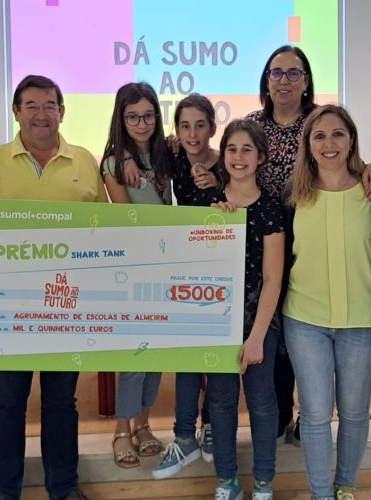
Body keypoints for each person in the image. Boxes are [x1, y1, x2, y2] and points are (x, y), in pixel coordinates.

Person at [0, 75, 107, 500]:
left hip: (67, 305)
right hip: (8, 310)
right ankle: (4, 491)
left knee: (62, 403)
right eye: (32, 106)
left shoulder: (84, 162)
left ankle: (64, 487)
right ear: (17, 112)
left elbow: (104, 228)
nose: (42, 114)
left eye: (50, 105)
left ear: (62, 112)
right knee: (7, 403)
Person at [246, 45, 371, 445]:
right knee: (279, 339)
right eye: (276, 73)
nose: (284, 80)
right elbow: (233, 164)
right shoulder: (252, 124)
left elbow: (348, 163)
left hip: (312, 237)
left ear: (306, 81)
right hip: (263, 244)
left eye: (294, 73)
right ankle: (283, 418)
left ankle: (307, 419)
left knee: (305, 342)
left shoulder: (320, 121)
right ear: (266, 80)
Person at [281, 105, 371, 500]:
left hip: (364, 322)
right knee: (313, 414)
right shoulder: (292, 196)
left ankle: (345, 488)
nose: (329, 143)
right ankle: (321, 494)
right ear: (308, 145)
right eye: (319, 135)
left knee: (355, 412)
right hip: (304, 321)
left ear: (351, 140)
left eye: (338, 134)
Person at [194, 119, 285, 500]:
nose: (238, 156)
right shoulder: (208, 205)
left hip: (259, 325)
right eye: (232, 149)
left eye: (247, 149)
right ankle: (226, 481)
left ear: (260, 157)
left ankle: (264, 483)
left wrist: (257, 337)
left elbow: (273, 278)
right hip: (217, 323)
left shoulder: (271, 208)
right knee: (220, 403)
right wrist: (217, 225)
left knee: (262, 403)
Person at [100, 82, 170, 468]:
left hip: (167, 262)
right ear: (121, 119)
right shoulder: (113, 163)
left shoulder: (166, 153)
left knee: (156, 351)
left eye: (148, 115)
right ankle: (121, 430)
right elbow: (127, 217)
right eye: (132, 117)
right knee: (134, 352)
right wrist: (125, 154)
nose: (141, 124)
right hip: (134, 266)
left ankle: (144, 424)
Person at [152, 94, 220, 480]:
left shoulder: (228, 161)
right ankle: (183, 435)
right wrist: (125, 160)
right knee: (187, 353)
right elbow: (133, 148)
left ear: (212, 126)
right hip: (185, 267)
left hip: (224, 271)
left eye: (200, 125)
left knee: (215, 357)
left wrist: (219, 185)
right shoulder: (174, 155)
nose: (192, 134)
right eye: (184, 126)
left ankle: (209, 426)